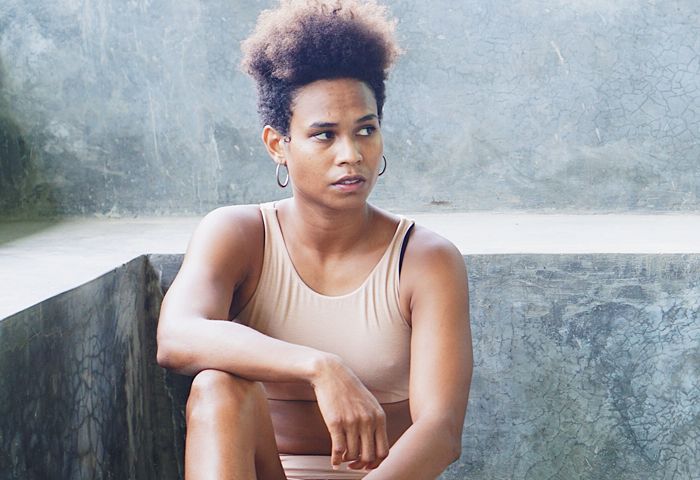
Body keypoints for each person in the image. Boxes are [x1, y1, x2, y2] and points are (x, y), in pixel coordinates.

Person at [156, 0, 473, 478]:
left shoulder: (424, 260)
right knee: (217, 388)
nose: (351, 154)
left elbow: (441, 431)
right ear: (277, 145)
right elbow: (176, 336)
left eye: (365, 130)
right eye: (324, 135)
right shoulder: (239, 235)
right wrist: (320, 366)